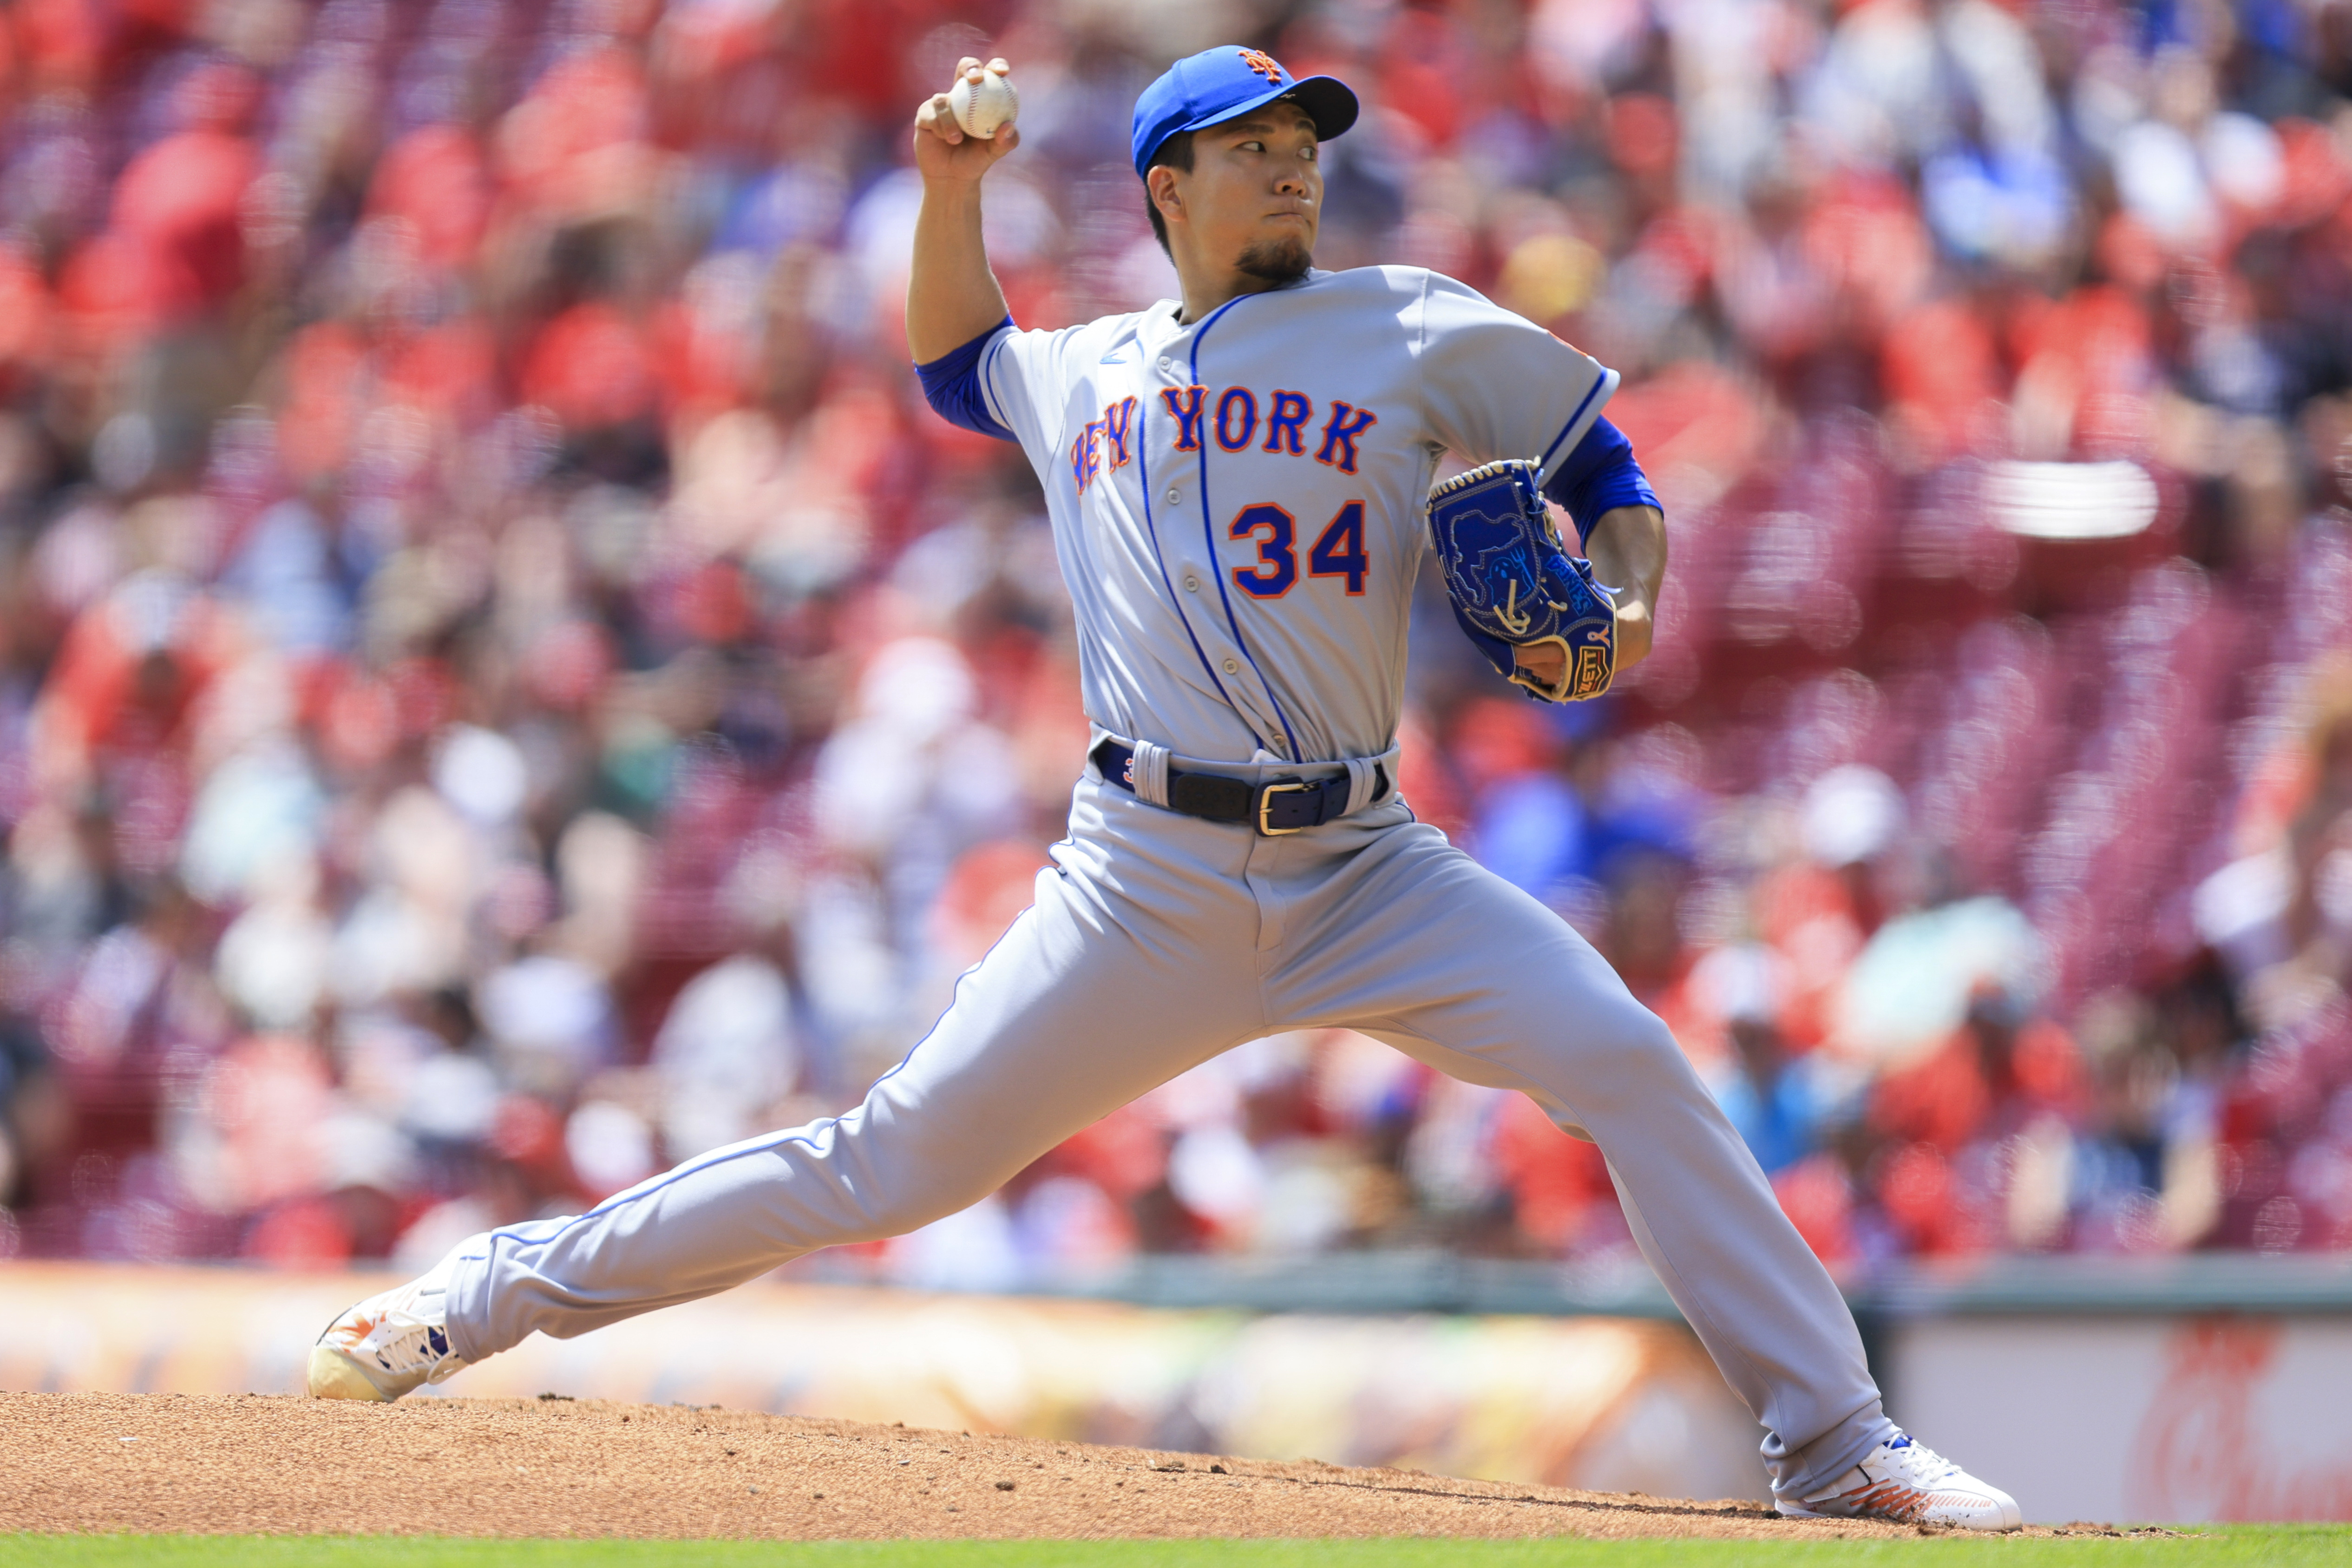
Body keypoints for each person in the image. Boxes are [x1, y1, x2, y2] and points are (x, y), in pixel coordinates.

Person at [307, 46, 2020, 1530]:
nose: (1295, 160)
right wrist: (948, 187)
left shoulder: (1415, 322)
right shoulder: (1089, 369)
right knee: (884, 1166)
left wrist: (1630, 597)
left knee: (1631, 1066)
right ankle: (478, 1298)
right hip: (1140, 880)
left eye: (1306, 140)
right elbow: (948, 360)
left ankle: (1839, 1448)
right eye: (1257, 142)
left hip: (1366, 866)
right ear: (1169, 185)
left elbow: (1608, 470)